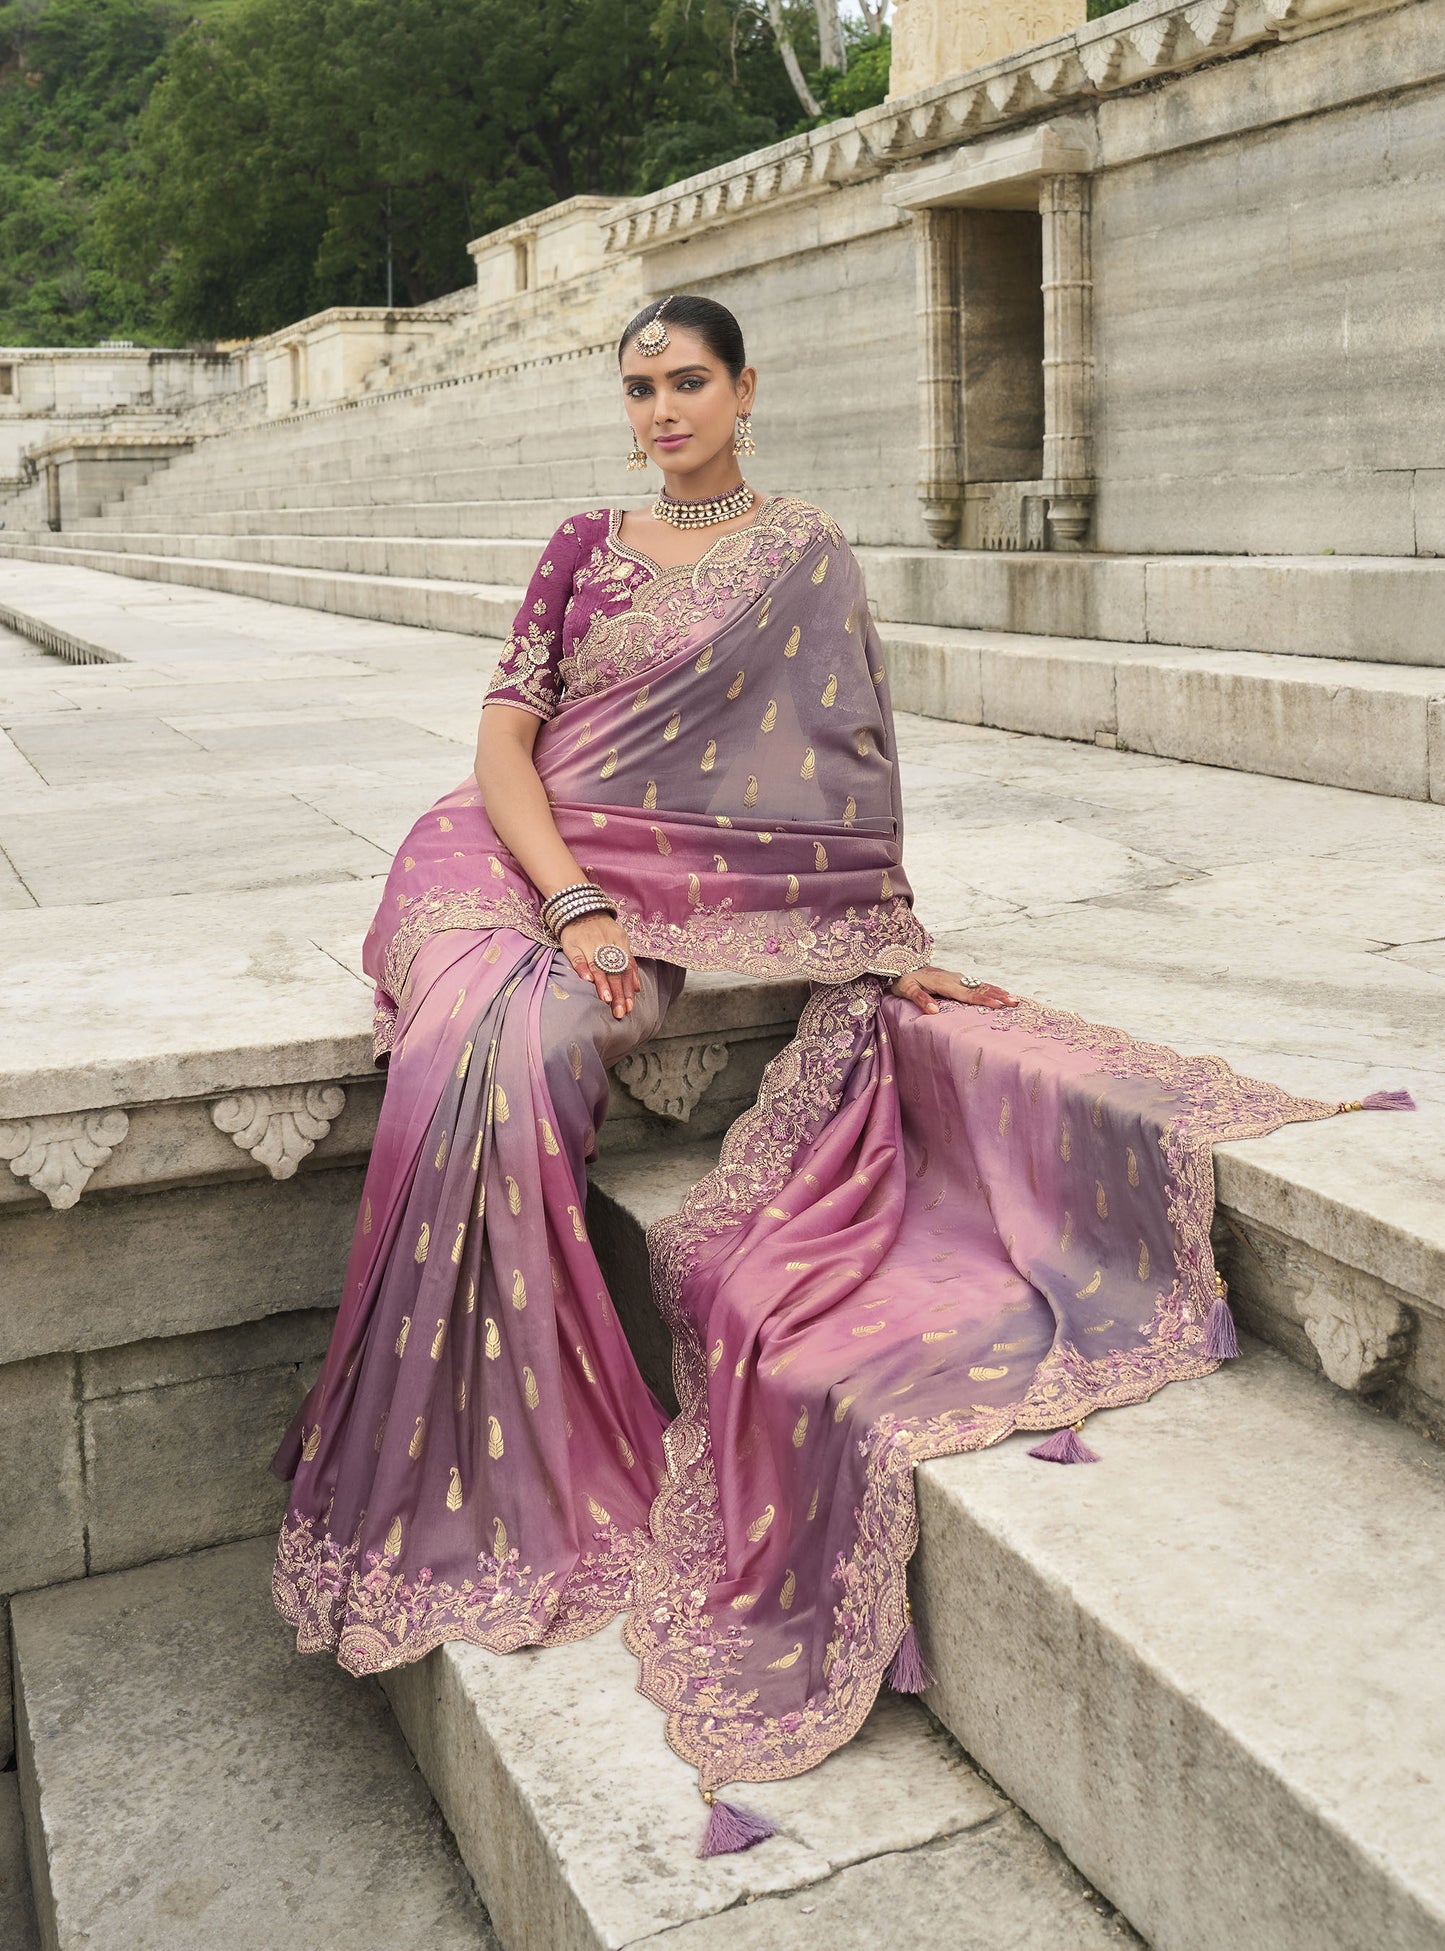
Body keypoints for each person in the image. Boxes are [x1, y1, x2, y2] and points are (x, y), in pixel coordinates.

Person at [273, 294, 1394, 1853]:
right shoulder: (583, 543)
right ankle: (439, 1458)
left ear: (744, 389)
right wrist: (575, 900)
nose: (659, 411)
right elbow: (504, 745)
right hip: (494, 864)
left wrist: (871, 937)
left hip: (648, 895)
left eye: (686, 383)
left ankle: (501, 1446)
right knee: (473, 1036)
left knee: (527, 1054)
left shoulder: (801, 557)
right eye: (639, 388)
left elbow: (839, 766)